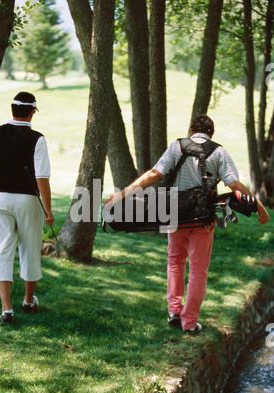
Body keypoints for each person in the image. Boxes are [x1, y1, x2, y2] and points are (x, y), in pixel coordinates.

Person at [105, 115, 269, 334]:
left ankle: (174, 311)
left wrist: (123, 194)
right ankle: (189, 322)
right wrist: (259, 205)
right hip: (203, 220)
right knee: (198, 270)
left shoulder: (176, 147)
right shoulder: (219, 152)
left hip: (175, 216)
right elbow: (234, 184)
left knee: (175, 260)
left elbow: (155, 174)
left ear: (192, 130)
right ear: (211, 133)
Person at [0, 91, 54, 325]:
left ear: (12, 110)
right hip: (28, 200)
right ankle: (28, 301)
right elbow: (42, 179)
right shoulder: (38, 139)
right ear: (32, 113)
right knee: (30, 248)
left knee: (1, 250)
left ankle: (6, 309)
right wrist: (48, 211)